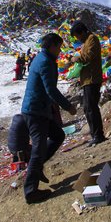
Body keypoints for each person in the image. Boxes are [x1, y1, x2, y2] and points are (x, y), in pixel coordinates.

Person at [20, 32, 76, 204]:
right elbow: (50, 90)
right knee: (38, 147)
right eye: (58, 47)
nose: (60, 51)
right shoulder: (45, 62)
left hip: (39, 109)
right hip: (36, 111)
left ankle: (37, 168)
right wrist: (68, 107)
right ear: (51, 46)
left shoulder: (41, 58)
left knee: (58, 136)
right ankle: (30, 191)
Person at [70, 21, 105, 146]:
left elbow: (89, 56)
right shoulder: (86, 42)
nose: (77, 38)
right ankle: (95, 134)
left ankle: (98, 135)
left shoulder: (92, 39)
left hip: (92, 78)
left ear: (82, 32)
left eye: (77, 35)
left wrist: (76, 59)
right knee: (87, 108)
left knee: (91, 107)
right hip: (86, 79)